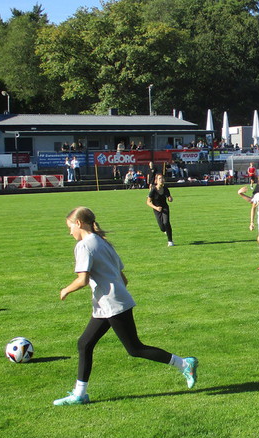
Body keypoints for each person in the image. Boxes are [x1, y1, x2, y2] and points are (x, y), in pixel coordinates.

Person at [55, 207, 197, 406]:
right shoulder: (103, 242)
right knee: (84, 344)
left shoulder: (84, 246)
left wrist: (65, 290)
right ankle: (80, 394)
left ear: (78, 223)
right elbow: (123, 278)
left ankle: (184, 363)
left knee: (135, 348)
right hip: (109, 303)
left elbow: (83, 280)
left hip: (112, 304)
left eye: (70, 227)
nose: (70, 232)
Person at [146, 173, 174, 246]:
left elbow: (169, 197)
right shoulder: (153, 190)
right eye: (159, 179)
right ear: (156, 181)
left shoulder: (165, 189)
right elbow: (148, 202)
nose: (161, 180)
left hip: (165, 207)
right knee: (162, 227)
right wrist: (156, 208)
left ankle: (170, 241)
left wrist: (170, 199)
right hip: (156, 209)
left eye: (162, 178)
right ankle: (165, 231)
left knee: (166, 223)